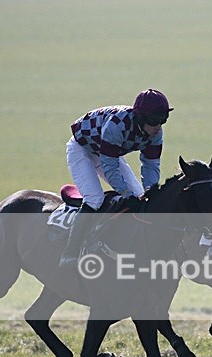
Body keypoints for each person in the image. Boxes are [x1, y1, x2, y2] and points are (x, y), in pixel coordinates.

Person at [60, 88, 173, 268]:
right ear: (140, 118)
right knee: (94, 199)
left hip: (107, 151)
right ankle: (70, 253)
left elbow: (151, 165)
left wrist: (151, 191)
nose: (158, 126)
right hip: (82, 149)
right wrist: (125, 193)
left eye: (163, 119)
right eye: (154, 120)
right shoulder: (116, 126)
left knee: (140, 196)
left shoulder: (156, 133)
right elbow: (109, 167)